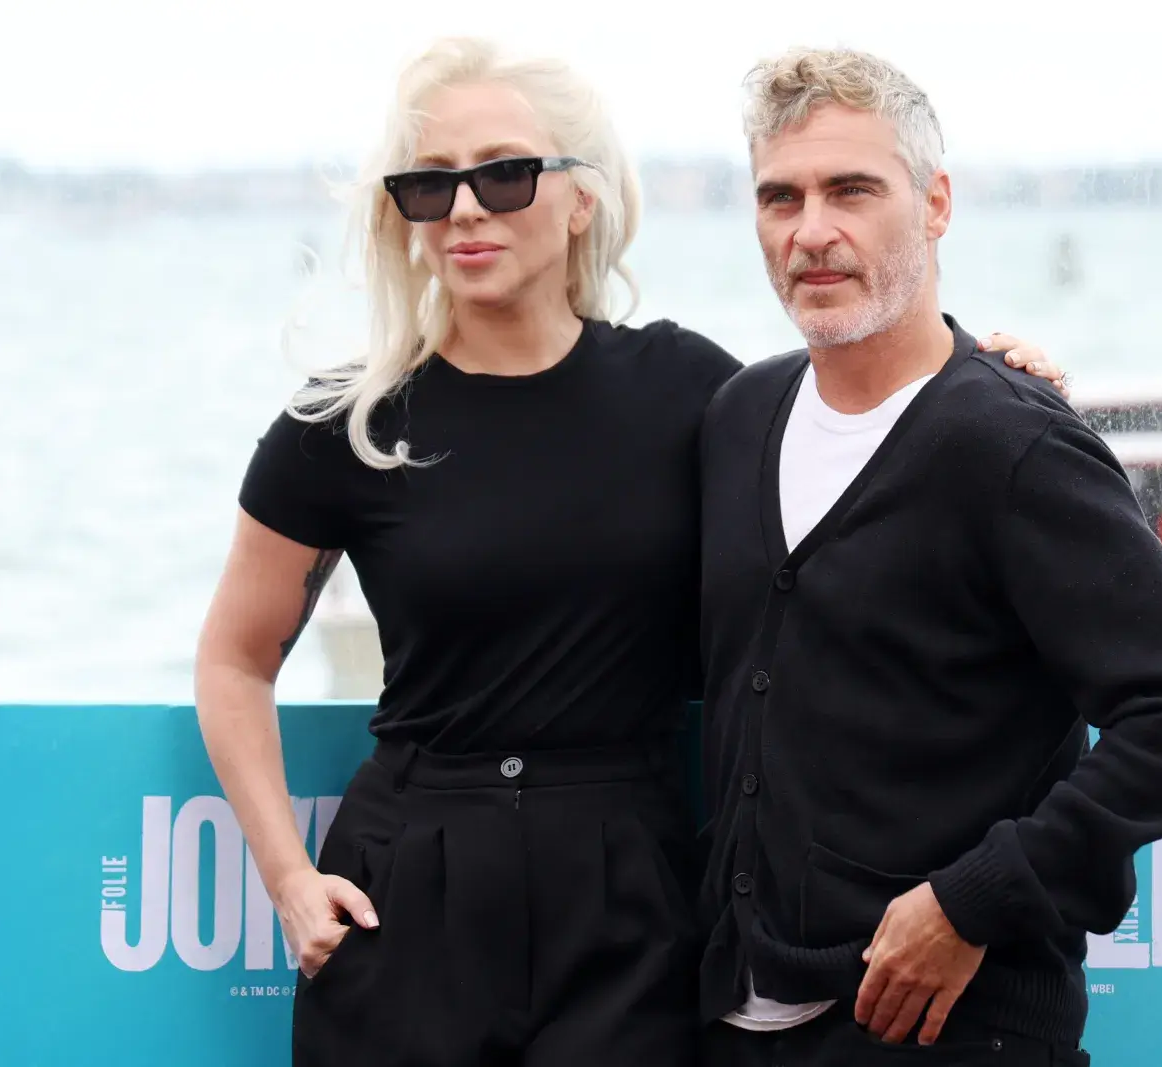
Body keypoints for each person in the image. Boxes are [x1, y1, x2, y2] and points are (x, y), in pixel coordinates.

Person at [192, 36, 1068, 1067]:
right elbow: (233, 658)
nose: (467, 208)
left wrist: (991, 368)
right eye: (430, 186)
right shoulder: (346, 422)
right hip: (408, 885)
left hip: (628, 883)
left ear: (582, 199)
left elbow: (867, 417)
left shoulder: (695, 392)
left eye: (506, 173)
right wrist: (289, 876)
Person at [694, 48, 1162, 1067]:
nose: (810, 231)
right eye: (779, 197)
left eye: (850, 189)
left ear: (935, 202)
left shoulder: (1012, 442)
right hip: (738, 1021)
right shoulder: (739, 416)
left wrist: (973, 899)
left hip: (954, 1032)